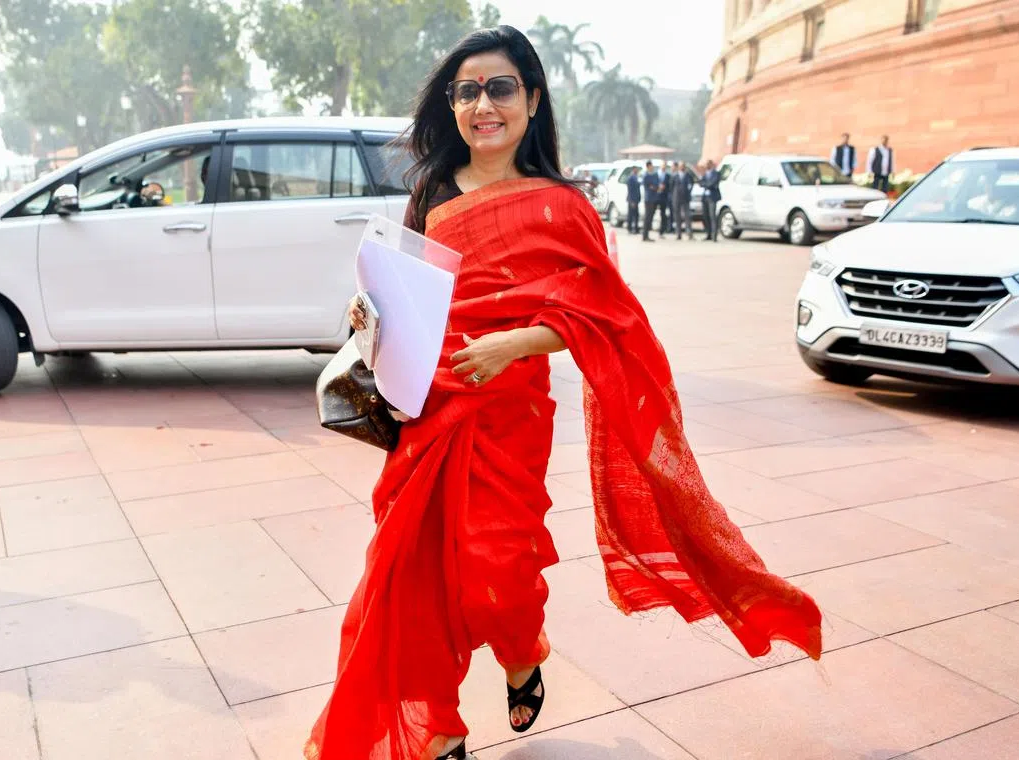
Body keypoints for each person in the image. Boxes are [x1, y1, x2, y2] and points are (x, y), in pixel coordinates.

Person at [308, 25, 823, 760]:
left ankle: (522, 651)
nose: (483, 105)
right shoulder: (432, 191)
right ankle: (437, 733)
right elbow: (406, 290)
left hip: (510, 408)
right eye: (467, 92)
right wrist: (370, 316)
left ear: (533, 99)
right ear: (451, 106)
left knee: (497, 574)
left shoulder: (561, 204)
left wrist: (515, 343)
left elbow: (605, 316)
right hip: (432, 401)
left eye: (500, 88)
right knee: (409, 576)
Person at [700, 159, 722, 241]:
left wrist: (706, 184)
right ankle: (708, 233)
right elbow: (701, 183)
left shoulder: (716, 173)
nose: (707, 166)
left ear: (711, 164)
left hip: (712, 197)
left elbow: (713, 183)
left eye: (708, 164)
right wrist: (706, 184)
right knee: (705, 216)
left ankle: (714, 235)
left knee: (712, 216)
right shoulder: (705, 174)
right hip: (705, 197)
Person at [672, 161, 695, 240]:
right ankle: (678, 233)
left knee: (687, 216)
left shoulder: (688, 175)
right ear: (678, 167)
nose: (682, 167)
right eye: (681, 166)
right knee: (677, 216)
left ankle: (689, 233)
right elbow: (671, 187)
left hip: (685, 198)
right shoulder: (675, 176)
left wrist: (689, 191)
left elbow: (692, 183)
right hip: (677, 198)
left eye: (683, 166)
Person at [641, 160, 662, 242]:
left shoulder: (655, 174)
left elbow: (656, 184)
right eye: (651, 166)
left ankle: (647, 235)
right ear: (648, 166)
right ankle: (645, 235)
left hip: (654, 198)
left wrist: (655, 187)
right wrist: (654, 187)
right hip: (648, 199)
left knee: (651, 217)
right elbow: (648, 186)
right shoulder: (646, 175)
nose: (652, 167)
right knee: (647, 217)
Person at [658, 162, 673, 235]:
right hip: (656, 197)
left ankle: (662, 230)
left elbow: (670, 186)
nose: (663, 167)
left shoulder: (668, 176)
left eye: (665, 166)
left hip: (664, 198)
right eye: (662, 166)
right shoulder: (656, 175)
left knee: (663, 214)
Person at [626, 165, 642, 234]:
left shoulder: (636, 177)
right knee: (631, 214)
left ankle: (636, 228)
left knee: (636, 214)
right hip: (632, 199)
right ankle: (629, 228)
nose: (637, 171)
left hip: (636, 199)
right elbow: (630, 190)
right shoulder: (630, 178)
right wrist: (632, 200)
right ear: (633, 170)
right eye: (636, 169)